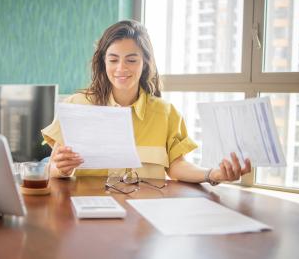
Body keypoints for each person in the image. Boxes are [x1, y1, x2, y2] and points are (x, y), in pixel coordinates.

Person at [41, 20, 251, 185]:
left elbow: (177, 167)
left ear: (145, 63)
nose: (121, 68)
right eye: (113, 60)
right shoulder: (76, 106)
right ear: (103, 62)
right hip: (86, 210)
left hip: (144, 215)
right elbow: (52, 168)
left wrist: (213, 174)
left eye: (131, 60)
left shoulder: (166, 113)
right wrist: (61, 168)